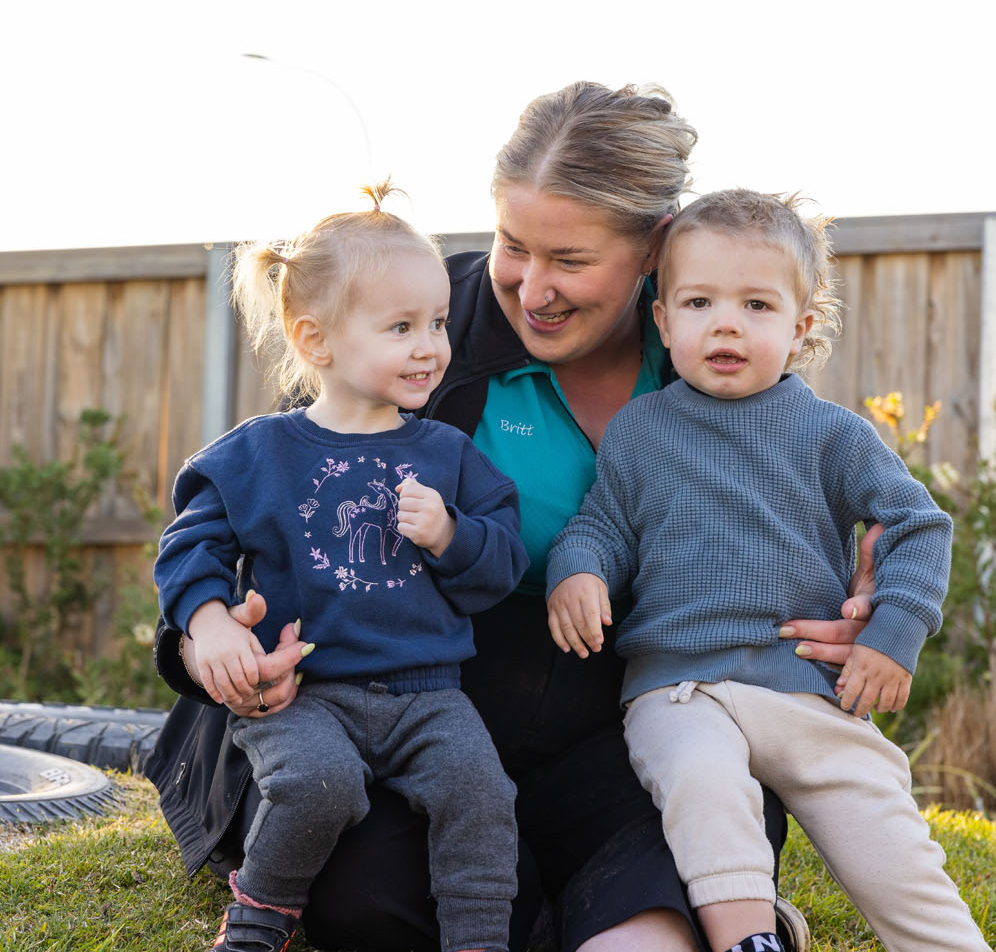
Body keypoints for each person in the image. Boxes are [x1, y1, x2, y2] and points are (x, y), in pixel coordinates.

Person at [146, 82, 876, 952]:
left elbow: (797, 521)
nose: (533, 288)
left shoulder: (713, 353)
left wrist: (850, 601)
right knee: (371, 896)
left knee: (658, 903)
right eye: (511, 244)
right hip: (396, 702)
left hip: (623, 719)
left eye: (569, 258)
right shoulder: (412, 331)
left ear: (655, 246)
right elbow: (255, 517)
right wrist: (206, 635)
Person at [545, 188, 991, 952]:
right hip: (682, 688)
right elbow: (602, 525)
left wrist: (892, 633)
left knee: (889, 833)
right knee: (704, 785)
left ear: (800, 327)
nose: (726, 322)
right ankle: (749, 940)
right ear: (663, 319)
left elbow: (918, 523)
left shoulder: (829, 433)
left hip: (808, 689)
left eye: (756, 304)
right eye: (699, 302)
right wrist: (577, 570)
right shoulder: (641, 430)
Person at [153, 185, 530, 952]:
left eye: (435, 322)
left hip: (431, 696)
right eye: (400, 327)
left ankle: (478, 938)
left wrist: (452, 535)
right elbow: (188, 545)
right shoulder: (258, 454)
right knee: (317, 784)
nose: (430, 345)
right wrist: (209, 618)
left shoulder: (449, 457)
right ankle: (259, 918)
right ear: (315, 340)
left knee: (483, 794)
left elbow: (502, 565)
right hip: (308, 695)